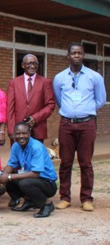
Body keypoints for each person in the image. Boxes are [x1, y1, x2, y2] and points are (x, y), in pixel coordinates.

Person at [53, 43, 106, 212]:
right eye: (73, 53)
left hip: (87, 124)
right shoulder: (60, 77)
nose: (76, 55)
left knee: (86, 163)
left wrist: (85, 110)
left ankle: (86, 199)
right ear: (68, 56)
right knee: (65, 162)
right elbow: (59, 99)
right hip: (67, 124)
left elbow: (100, 100)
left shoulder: (94, 77)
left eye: (79, 53)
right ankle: (65, 198)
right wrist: (71, 111)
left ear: (83, 56)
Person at [0, 122, 57, 218]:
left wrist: (9, 176)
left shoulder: (36, 147)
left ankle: (47, 204)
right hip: (31, 179)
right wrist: (3, 177)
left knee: (24, 183)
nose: (21, 136)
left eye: (24, 133)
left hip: (47, 183)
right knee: (9, 181)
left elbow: (35, 174)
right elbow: (11, 164)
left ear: (29, 133)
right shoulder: (15, 146)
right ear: (14, 134)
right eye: (18, 133)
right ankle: (29, 201)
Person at [6, 54, 55, 144]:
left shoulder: (45, 82)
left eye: (35, 63)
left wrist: (35, 118)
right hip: (18, 131)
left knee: (36, 157)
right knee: (18, 157)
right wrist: (11, 129)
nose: (32, 66)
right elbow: (10, 108)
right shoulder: (14, 83)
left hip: (38, 129)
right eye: (29, 63)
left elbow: (50, 105)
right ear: (23, 65)